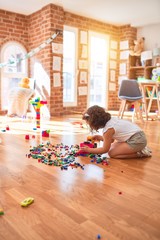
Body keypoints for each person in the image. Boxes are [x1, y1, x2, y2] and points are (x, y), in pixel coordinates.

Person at [81, 105, 152, 159]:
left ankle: (141, 153)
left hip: (137, 140)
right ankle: (139, 148)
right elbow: (111, 140)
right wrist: (101, 137)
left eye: (89, 123)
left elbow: (104, 149)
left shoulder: (108, 130)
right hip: (138, 136)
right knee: (112, 147)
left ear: (95, 123)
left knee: (112, 153)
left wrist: (89, 150)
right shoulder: (111, 120)